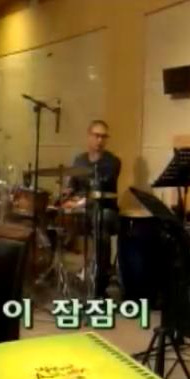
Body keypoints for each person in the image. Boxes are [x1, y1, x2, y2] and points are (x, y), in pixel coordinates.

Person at [62, 119, 121, 298]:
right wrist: (67, 194)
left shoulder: (112, 162)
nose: (100, 140)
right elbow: (72, 186)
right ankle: (67, 274)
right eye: (96, 136)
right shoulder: (79, 160)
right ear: (89, 137)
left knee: (100, 220)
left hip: (105, 209)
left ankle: (100, 282)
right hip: (83, 208)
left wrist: (80, 202)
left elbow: (99, 190)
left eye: (104, 137)